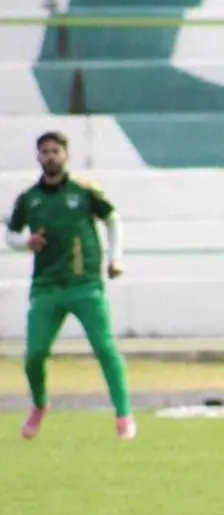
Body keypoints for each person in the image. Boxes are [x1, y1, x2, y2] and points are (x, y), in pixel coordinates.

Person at [5, 131, 136, 440]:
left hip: (84, 284)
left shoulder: (84, 191)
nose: (51, 156)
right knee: (35, 354)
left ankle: (124, 414)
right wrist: (27, 242)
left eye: (56, 151)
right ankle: (40, 405)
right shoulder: (29, 199)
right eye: (45, 151)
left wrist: (115, 259)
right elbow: (10, 235)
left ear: (66, 155)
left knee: (104, 348)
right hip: (47, 286)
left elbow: (113, 219)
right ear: (38, 157)